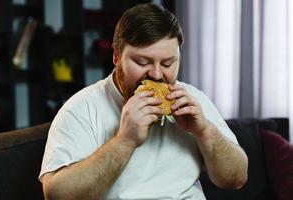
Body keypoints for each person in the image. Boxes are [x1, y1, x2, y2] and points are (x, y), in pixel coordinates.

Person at [40, 3, 248, 200]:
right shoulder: (81, 109)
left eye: (168, 63)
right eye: (142, 62)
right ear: (116, 57)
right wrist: (125, 140)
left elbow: (236, 179)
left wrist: (204, 130)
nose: (157, 75)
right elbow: (57, 195)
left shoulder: (193, 99)